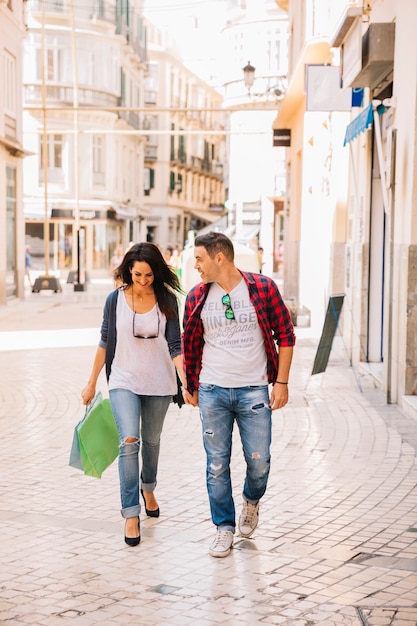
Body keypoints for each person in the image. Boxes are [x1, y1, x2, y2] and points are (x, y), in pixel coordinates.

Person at [182, 232, 296, 558]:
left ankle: (251, 500)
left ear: (219, 258)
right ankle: (224, 528)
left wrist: (282, 383)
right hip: (213, 391)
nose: (196, 265)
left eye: (200, 258)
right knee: (216, 465)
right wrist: (190, 385)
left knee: (259, 463)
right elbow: (189, 343)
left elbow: (286, 335)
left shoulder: (261, 288)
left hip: (254, 391)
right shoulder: (197, 296)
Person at [81, 242, 187, 547]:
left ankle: (148, 486)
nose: (143, 280)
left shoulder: (167, 300)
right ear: (129, 270)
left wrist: (186, 381)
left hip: (159, 382)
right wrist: (91, 383)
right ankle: (130, 513)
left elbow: (175, 346)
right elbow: (104, 341)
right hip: (123, 379)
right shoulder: (114, 300)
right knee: (129, 442)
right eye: (138, 274)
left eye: (149, 275)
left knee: (151, 441)